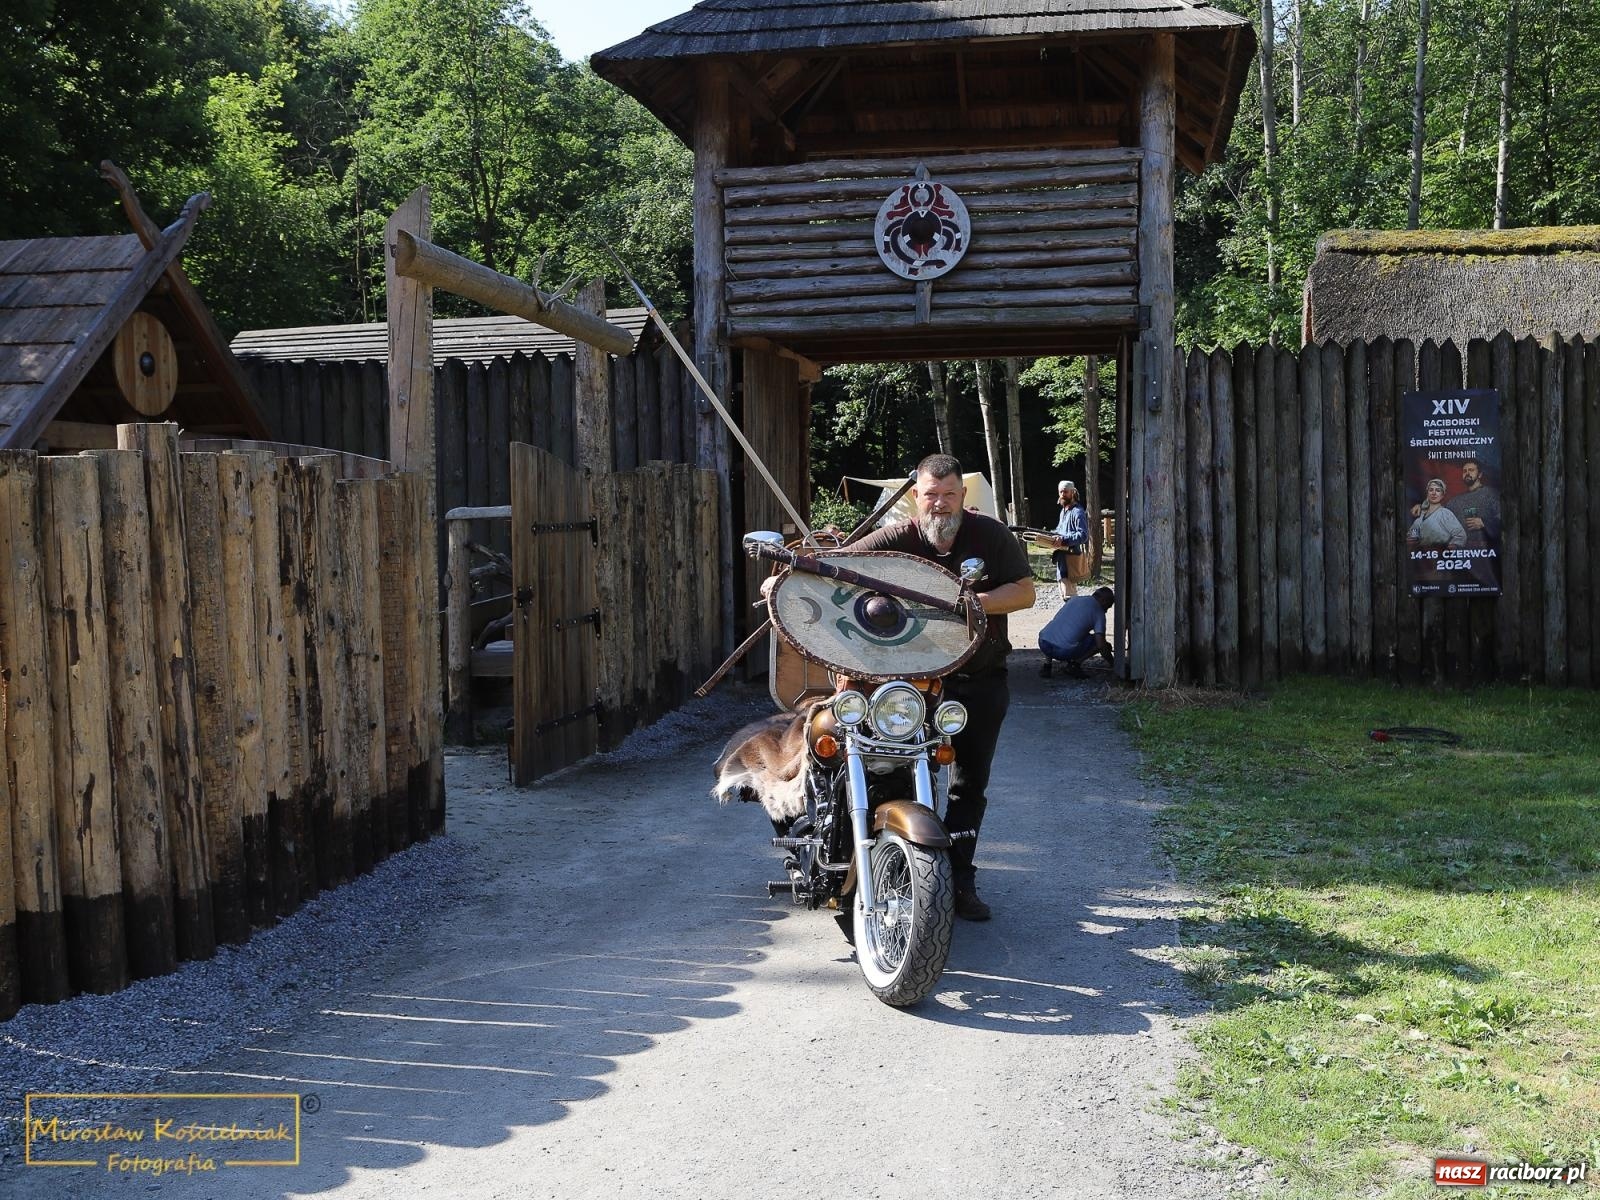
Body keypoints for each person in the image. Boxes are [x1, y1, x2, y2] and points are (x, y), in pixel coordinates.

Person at [850, 453, 1036, 921]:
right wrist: (788, 576)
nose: (939, 504)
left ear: (962, 495)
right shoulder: (897, 537)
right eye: (930, 494)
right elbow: (842, 567)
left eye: (948, 494)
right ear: (917, 496)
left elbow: (1026, 591)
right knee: (897, 774)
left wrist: (972, 601)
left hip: (980, 681)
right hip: (911, 688)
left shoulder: (990, 534)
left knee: (968, 785)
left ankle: (960, 879)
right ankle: (897, 872)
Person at [1038, 586, 1114, 678]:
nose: (1106, 611)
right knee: (1100, 643)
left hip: (1043, 642)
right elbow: (1101, 645)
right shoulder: (1099, 613)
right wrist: (1114, 664)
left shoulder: (1075, 599)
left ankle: (1047, 666)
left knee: (1057, 631)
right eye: (1108, 606)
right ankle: (1074, 665)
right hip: (1062, 651)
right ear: (1104, 601)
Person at [1048, 480, 1089, 600]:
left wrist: (1064, 539)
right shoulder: (1063, 511)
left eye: (1065, 492)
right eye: (1060, 492)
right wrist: (1048, 536)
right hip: (1061, 559)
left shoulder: (1078, 512)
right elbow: (1060, 531)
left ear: (1072, 492)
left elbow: (1083, 535)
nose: (1062, 495)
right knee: (1065, 596)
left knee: (1070, 598)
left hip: (1070, 560)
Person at [1407, 478, 1467, 549]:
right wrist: (1410, 540)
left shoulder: (1445, 514)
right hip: (1422, 556)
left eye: (1438, 490)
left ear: (1442, 495)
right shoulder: (1420, 514)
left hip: (1439, 555)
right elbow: (1411, 535)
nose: (1434, 493)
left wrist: (1450, 548)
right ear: (1427, 493)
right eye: (1431, 490)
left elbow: (1460, 535)